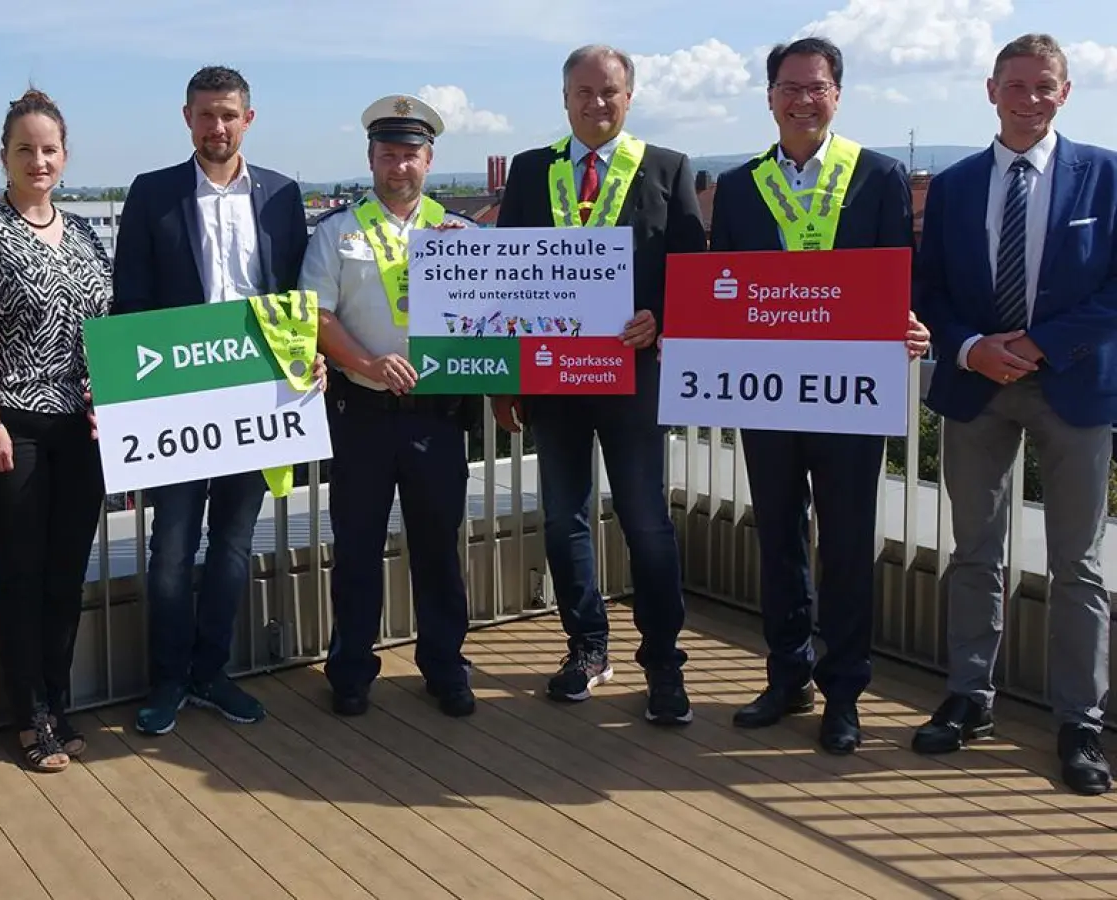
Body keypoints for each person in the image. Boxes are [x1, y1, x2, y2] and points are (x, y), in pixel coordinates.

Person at [708, 37, 930, 754]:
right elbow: (721, 290)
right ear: (769, 96)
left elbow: (902, 280)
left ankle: (844, 691)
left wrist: (910, 324)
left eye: (817, 86)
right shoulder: (739, 188)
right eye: (790, 86)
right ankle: (786, 674)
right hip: (766, 394)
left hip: (852, 392)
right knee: (777, 538)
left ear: (838, 94)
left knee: (843, 541)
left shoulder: (880, 176)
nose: (803, 99)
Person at [913, 33, 1117, 795]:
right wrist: (970, 350)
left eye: (1044, 87)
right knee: (975, 552)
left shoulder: (1106, 176)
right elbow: (929, 291)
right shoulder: (958, 185)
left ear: (1066, 92)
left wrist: (1032, 345)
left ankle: (1080, 723)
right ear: (990, 90)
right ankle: (969, 699)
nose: (1029, 99)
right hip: (977, 389)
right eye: (1015, 85)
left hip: (1072, 386)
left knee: (1079, 565)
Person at [492, 45, 707, 724]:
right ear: (565, 99)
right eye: (583, 92)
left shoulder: (667, 168)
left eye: (609, 92)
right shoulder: (532, 171)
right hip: (554, 376)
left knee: (646, 522)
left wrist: (662, 317)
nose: (597, 104)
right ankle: (586, 648)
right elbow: (504, 276)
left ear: (630, 96)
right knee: (565, 518)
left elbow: (693, 271)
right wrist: (506, 376)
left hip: (634, 376)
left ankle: (664, 664)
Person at [112, 65, 309, 736]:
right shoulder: (151, 194)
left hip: (257, 398)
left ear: (247, 119)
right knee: (170, 547)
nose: (216, 127)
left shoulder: (283, 195)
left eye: (228, 114)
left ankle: (210, 673)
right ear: (187, 117)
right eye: (204, 115)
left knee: (230, 544)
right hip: (175, 398)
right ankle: (167, 680)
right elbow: (131, 299)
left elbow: (295, 297)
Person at [0, 89, 111, 772]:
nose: (37, 160)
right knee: (22, 568)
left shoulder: (86, 233)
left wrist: (110, 395)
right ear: (5, 156)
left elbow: (101, 330)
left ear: (64, 157)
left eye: (48, 149)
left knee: (66, 572)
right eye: (24, 149)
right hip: (7, 423)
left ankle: (59, 699)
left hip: (80, 430)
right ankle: (28, 712)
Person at [300, 94, 479, 718]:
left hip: (436, 416)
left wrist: (470, 263)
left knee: (437, 547)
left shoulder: (465, 236)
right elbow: (316, 315)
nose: (398, 167)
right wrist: (366, 364)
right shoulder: (336, 232)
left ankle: (445, 666)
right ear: (370, 157)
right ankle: (350, 669)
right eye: (388, 155)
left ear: (430, 160)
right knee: (356, 550)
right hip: (363, 414)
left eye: (410, 155)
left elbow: (493, 321)